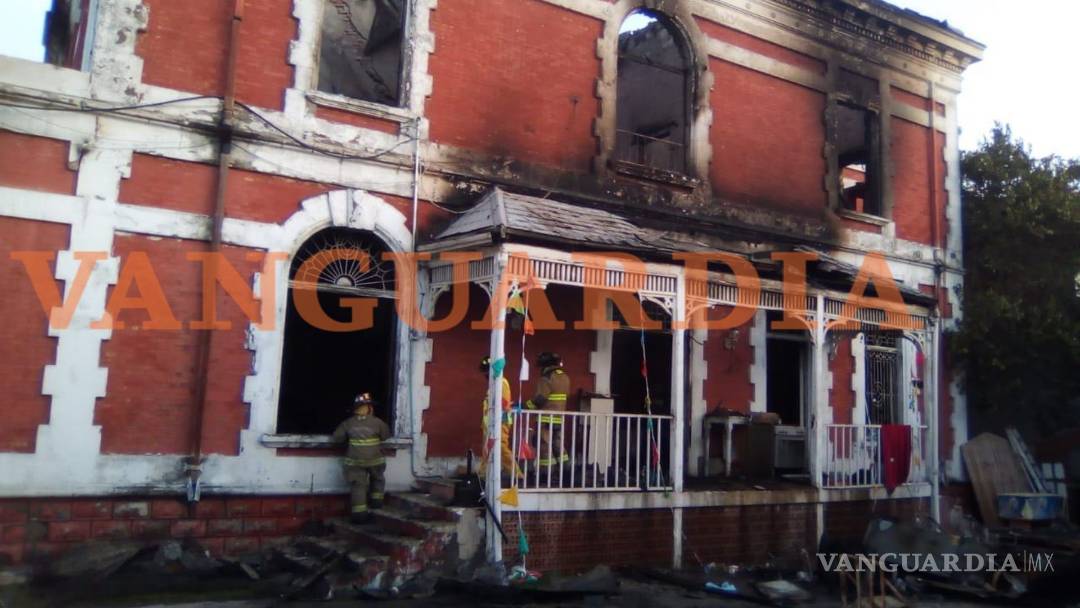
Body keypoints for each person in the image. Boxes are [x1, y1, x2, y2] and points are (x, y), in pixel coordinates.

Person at [332, 392, 390, 524]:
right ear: (369, 408)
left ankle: (359, 515)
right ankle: (376, 503)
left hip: (355, 462)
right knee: (377, 479)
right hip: (375, 461)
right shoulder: (378, 423)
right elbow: (386, 435)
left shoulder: (348, 423)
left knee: (358, 486)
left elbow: (337, 438)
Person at [479, 356, 521, 481]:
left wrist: (497, 421)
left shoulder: (501, 383)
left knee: (501, 448)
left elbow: (503, 403)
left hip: (500, 422)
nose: (485, 374)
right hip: (490, 423)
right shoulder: (495, 383)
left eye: (486, 371)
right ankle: (482, 475)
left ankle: (518, 475)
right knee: (487, 449)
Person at [526, 352, 571, 471]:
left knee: (544, 446)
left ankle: (547, 474)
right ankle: (566, 472)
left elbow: (540, 399)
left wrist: (525, 406)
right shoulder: (565, 377)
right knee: (558, 445)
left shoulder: (546, 378)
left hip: (545, 418)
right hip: (559, 418)